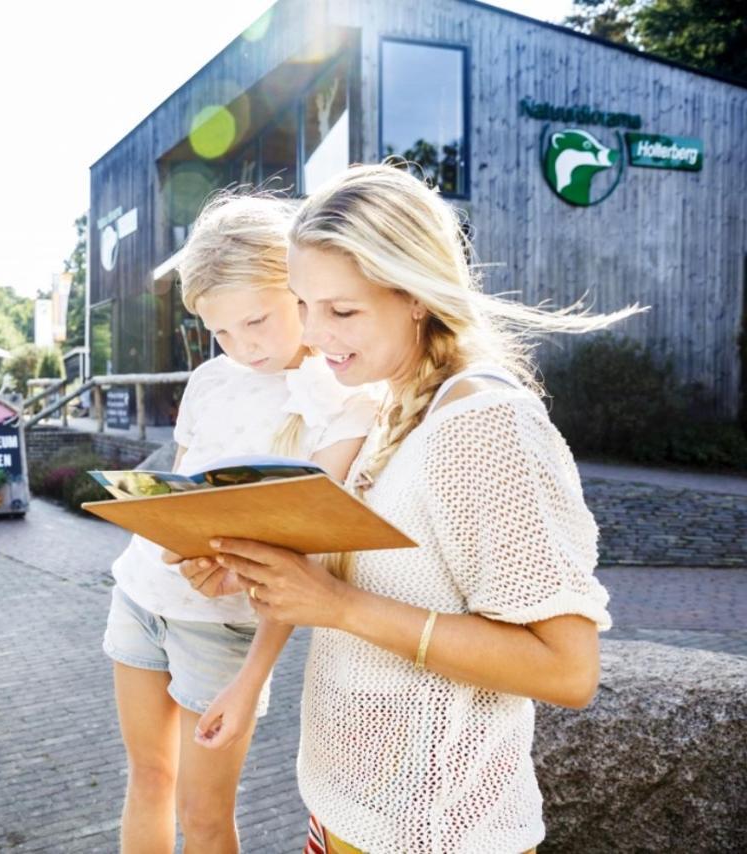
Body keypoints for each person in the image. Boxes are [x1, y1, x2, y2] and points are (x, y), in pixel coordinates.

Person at [180, 163, 644, 854]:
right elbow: (367, 578)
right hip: (342, 816)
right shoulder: (392, 401)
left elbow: (566, 669)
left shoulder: (486, 423)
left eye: (342, 310)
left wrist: (334, 605)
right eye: (304, 306)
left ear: (417, 296)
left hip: (433, 836)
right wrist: (252, 569)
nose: (315, 334)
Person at [104, 194, 378, 853]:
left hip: (225, 632)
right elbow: (188, 490)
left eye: (256, 320)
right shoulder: (210, 380)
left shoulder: (343, 400)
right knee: (147, 778)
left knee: (203, 818)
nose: (242, 346)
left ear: (299, 286)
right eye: (221, 332)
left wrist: (253, 675)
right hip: (142, 593)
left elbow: (304, 560)